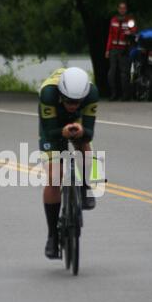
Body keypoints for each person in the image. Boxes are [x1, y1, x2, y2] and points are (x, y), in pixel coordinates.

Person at [39, 67, 99, 259]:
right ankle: (52, 235)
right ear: (61, 94)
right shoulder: (48, 93)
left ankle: (84, 186)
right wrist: (62, 133)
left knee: (85, 146)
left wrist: (82, 131)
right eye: (69, 101)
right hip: (53, 123)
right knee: (54, 177)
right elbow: (49, 132)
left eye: (77, 102)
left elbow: (90, 132)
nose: (73, 105)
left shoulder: (91, 94)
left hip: (75, 123)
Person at [105, 2, 138, 101]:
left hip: (125, 49)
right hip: (114, 49)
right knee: (112, 72)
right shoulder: (113, 20)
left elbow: (134, 31)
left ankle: (125, 95)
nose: (122, 10)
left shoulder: (130, 21)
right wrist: (107, 50)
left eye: (124, 8)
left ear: (126, 9)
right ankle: (114, 94)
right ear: (118, 9)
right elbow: (110, 35)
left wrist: (130, 32)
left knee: (124, 73)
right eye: (120, 8)